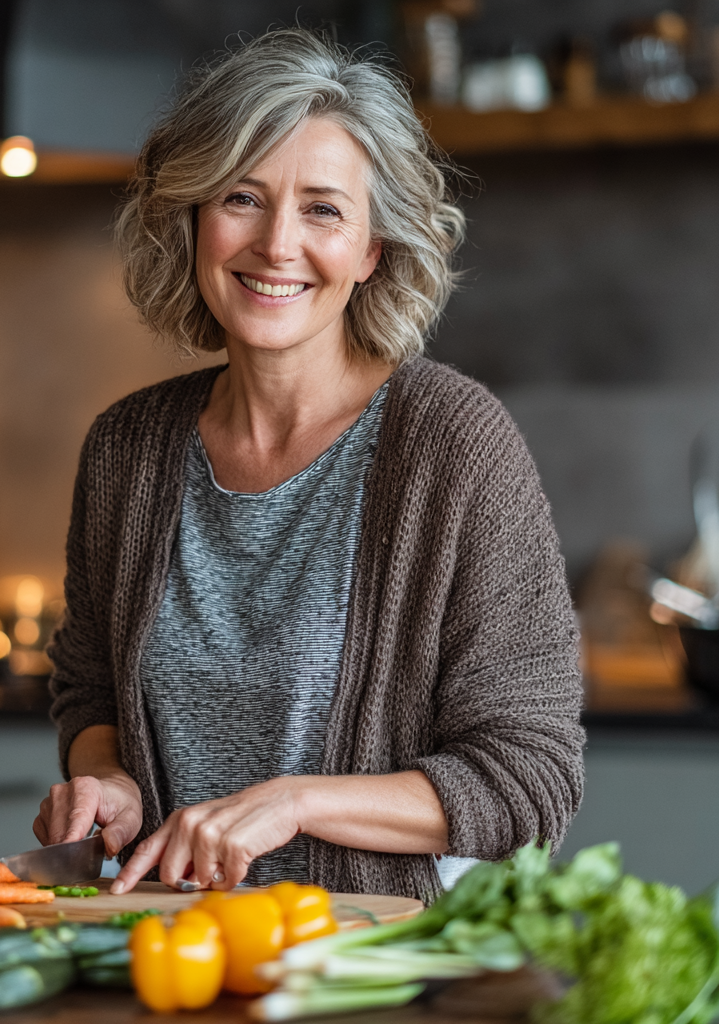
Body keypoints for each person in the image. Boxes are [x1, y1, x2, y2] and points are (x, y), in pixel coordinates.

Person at [34, 28, 584, 903]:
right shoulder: (126, 450)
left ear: (371, 251)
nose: (277, 243)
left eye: (323, 208)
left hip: (363, 967)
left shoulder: (453, 445)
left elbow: (528, 778)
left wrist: (292, 804)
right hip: (159, 954)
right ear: (194, 217)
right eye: (242, 198)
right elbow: (89, 686)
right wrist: (110, 780)